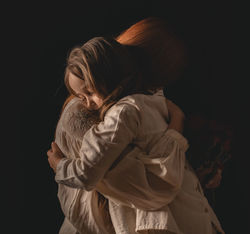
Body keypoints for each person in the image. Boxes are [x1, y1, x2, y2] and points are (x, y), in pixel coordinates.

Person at [47, 35, 224, 233]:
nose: (86, 104)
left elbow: (88, 172)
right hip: (190, 206)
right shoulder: (157, 102)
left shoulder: (120, 115)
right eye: (81, 96)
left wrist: (59, 165)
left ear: (109, 78)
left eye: (89, 92)